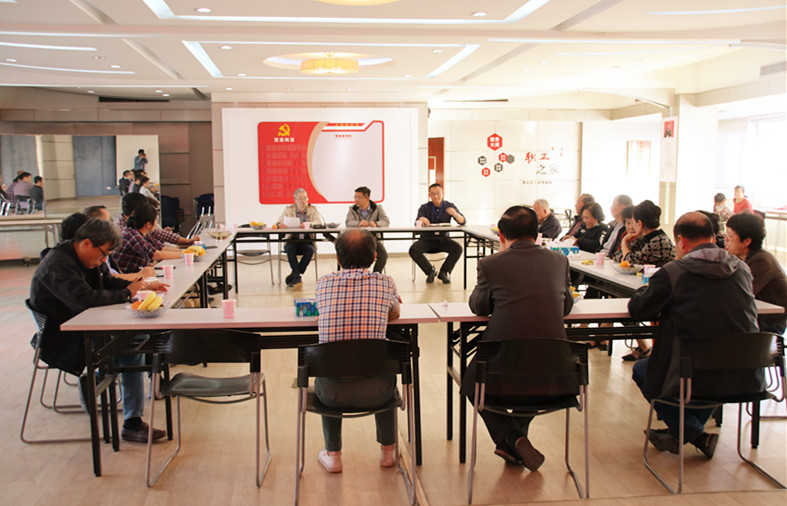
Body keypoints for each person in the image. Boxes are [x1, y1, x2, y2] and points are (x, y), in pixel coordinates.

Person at [629, 212, 761, 459]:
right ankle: (683, 433)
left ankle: (695, 434)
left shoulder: (674, 272)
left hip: (696, 373)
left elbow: (638, 310)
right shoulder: (742, 269)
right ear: (713, 237)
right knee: (712, 364)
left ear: (681, 241)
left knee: (643, 370)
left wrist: (642, 292)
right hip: (744, 373)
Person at [29, 217, 166, 443]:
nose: (104, 260)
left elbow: (107, 283)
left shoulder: (89, 258)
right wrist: (127, 293)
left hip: (88, 328)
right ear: (86, 243)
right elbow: (85, 300)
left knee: (136, 339)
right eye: (103, 254)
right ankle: (124, 411)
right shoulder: (58, 264)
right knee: (133, 344)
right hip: (64, 340)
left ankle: (101, 383)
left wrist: (141, 285)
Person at [462, 206, 573, 470]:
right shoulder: (559, 261)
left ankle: (512, 437)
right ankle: (514, 442)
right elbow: (566, 306)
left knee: (470, 383)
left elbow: (479, 307)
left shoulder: (491, 264)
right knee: (531, 383)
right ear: (537, 233)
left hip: (503, 370)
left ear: (501, 235)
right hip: (557, 374)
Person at [313, 229, 401, 473]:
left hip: (330, 395)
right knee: (383, 370)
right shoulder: (386, 283)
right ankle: (388, 452)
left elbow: (321, 311)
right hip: (378, 392)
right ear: (374, 257)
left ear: (338, 258)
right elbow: (395, 313)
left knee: (331, 367)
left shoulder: (323, 283)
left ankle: (333, 455)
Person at [725, 213, 787, 335]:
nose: (725, 240)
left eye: (730, 236)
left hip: (769, 324)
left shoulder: (761, 261)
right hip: (755, 319)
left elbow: (740, 293)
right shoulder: (745, 258)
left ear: (747, 241)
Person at [409, 183, 465, 284]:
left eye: (438, 193)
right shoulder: (424, 207)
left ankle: (444, 272)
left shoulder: (449, 206)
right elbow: (417, 224)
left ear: (443, 193)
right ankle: (430, 271)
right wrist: (421, 220)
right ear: (429, 195)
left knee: (458, 248)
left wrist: (455, 214)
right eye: (433, 194)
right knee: (413, 249)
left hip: (443, 240)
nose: (435, 196)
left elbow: (462, 222)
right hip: (427, 240)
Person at [111, 203, 182, 274]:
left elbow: (162, 248)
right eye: (156, 220)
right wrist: (184, 255)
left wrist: (185, 252)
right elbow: (156, 255)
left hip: (135, 273)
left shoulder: (143, 233)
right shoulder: (133, 235)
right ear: (148, 224)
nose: (157, 224)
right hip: (126, 276)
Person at [277, 188, 322, 288]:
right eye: (300, 199)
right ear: (295, 200)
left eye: (305, 198)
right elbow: (278, 222)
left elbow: (318, 222)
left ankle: (294, 275)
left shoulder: (312, 209)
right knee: (290, 249)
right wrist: (280, 224)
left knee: (310, 250)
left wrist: (308, 224)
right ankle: (297, 276)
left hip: (307, 240)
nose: (303, 201)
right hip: (292, 239)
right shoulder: (288, 209)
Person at [615, 200, 675, 267]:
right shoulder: (643, 238)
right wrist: (627, 258)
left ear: (639, 223)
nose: (631, 226)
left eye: (632, 222)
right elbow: (617, 256)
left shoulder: (659, 242)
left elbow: (629, 261)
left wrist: (624, 242)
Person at [345, 186, 389, 273]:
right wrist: (358, 223)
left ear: (367, 198)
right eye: (355, 197)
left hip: (372, 239)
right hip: (357, 239)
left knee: (383, 255)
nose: (356, 200)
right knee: (352, 254)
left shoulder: (377, 208)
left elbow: (386, 221)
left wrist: (376, 224)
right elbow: (348, 222)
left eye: (359, 197)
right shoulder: (352, 209)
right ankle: (358, 275)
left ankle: (376, 275)